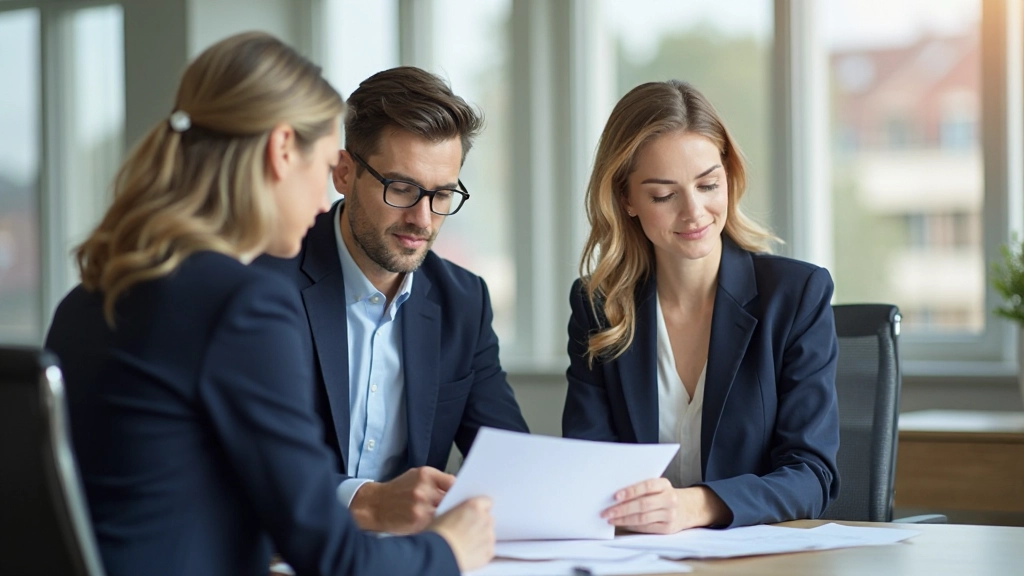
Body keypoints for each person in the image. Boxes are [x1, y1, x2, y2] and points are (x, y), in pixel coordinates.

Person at [44, 32, 493, 576]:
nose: (324, 196)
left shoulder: (96, 290)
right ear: (283, 151)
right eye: (324, 165)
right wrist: (451, 549)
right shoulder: (240, 304)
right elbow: (334, 556)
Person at [255, 66, 529, 535]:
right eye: (401, 188)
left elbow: (513, 461)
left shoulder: (464, 301)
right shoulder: (264, 283)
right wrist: (366, 501)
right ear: (344, 173)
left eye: (442, 194)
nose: (422, 219)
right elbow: (250, 458)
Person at [563, 80, 840, 533]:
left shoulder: (796, 295)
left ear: (729, 177)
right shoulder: (599, 305)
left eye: (708, 184)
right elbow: (588, 464)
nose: (694, 212)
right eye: (664, 195)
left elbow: (813, 476)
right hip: (638, 560)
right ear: (626, 199)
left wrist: (698, 506)